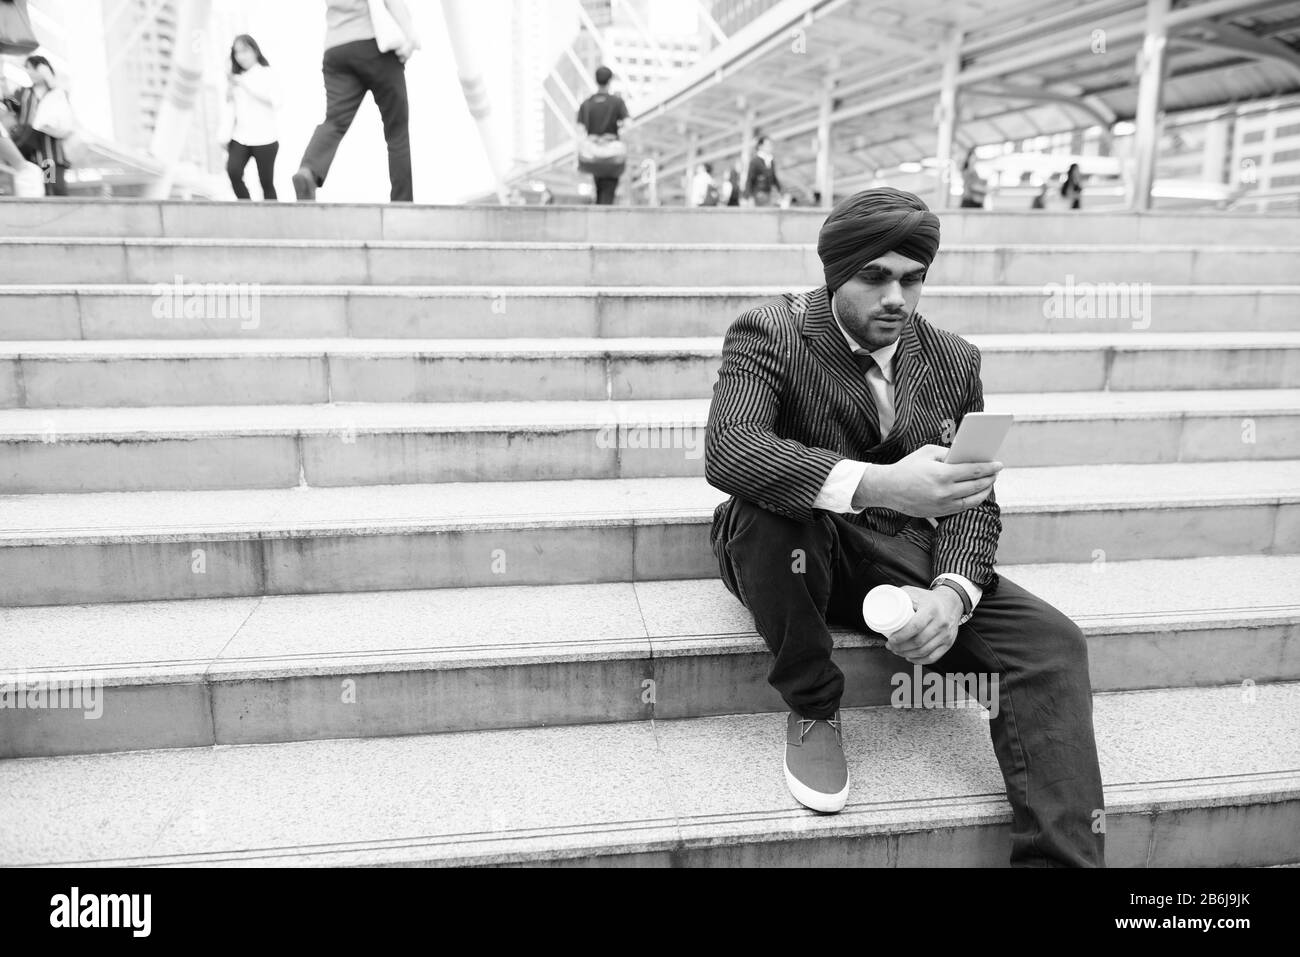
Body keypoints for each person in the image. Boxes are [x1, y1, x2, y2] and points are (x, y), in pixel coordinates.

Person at [705, 187, 1105, 867]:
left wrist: (951, 595)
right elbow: (731, 448)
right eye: (875, 276)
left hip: (902, 554)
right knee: (772, 508)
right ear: (837, 272)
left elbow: (971, 495)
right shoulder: (770, 330)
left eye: (912, 279)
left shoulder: (953, 358)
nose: (896, 296)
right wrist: (884, 482)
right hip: (795, 550)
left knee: (1054, 642)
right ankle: (812, 704)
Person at [292, 0, 419, 203]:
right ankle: (402, 203)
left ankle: (308, 171)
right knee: (397, 132)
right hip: (374, 45)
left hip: (336, 49)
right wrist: (410, 37)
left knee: (334, 121)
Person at [1, 55, 69, 196]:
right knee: (33, 189)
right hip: (30, 153)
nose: (29, 72)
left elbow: (63, 115)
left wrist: (48, 77)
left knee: (52, 189)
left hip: (49, 155)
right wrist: (3, 82)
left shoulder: (55, 93)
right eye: (27, 69)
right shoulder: (24, 93)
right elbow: (10, 105)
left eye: (32, 69)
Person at [225, 35, 279, 201]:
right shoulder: (236, 78)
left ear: (255, 51)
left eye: (244, 51)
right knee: (233, 172)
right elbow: (230, 109)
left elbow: (275, 101)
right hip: (240, 136)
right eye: (237, 52)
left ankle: (274, 220)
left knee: (266, 183)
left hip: (265, 138)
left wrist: (244, 85)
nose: (241, 56)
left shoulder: (267, 73)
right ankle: (247, 207)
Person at [575, 65, 629, 206]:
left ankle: (599, 209)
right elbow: (628, 124)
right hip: (611, 152)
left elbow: (580, 131)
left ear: (596, 80)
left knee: (598, 184)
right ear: (610, 80)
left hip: (594, 153)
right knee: (609, 187)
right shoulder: (617, 102)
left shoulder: (586, 104)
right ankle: (604, 213)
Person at [744, 135, 781, 206]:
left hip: (769, 193)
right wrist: (747, 196)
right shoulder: (755, 161)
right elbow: (750, 179)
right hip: (759, 194)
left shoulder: (770, 160)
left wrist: (780, 190)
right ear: (760, 146)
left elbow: (774, 177)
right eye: (767, 145)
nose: (770, 147)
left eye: (770, 145)